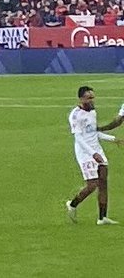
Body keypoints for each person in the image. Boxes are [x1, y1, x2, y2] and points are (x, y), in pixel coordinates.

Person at [66, 85, 124, 225]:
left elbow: (93, 132)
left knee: (103, 182)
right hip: (85, 153)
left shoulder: (92, 111)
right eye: (88, 98)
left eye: (92, 97)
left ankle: (102, 218)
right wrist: (93, 154)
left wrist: (113, 139)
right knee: (92, 185)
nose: (92, 100)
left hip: (97, 150)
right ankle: (72, 204)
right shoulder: (76, 115)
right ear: (81, 98)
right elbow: (79, 138)